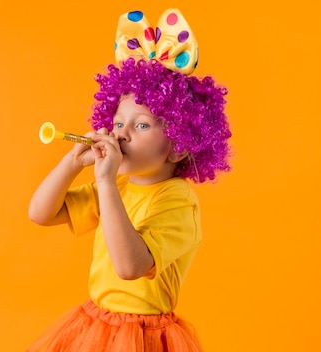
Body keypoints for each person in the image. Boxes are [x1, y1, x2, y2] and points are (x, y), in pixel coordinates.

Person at [27, 8, 231, 352]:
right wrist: (71, 163)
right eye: (119, 123)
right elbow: (41, 213)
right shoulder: (120, 186)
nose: (121, 134)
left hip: (146, 336)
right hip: (95, 325)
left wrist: (105, 184)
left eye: (141, 125)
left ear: (179, 146)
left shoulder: (178, 201)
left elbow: (129, 266)